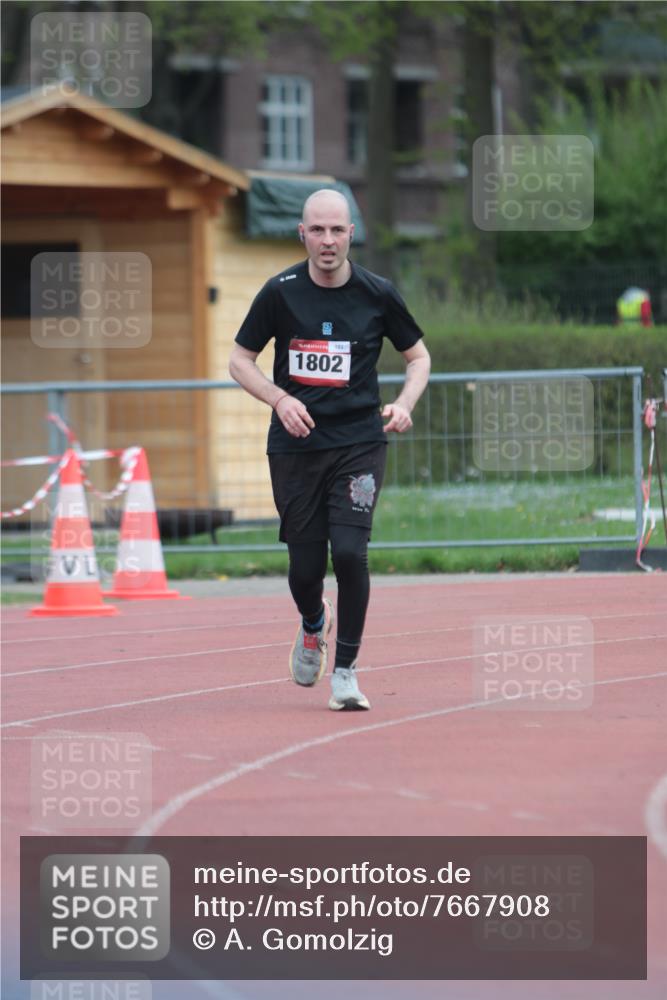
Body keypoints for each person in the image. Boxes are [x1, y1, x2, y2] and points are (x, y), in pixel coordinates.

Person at [229, 188, 430, 711]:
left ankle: (345, 670)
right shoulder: (280, 292)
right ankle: (314, 622)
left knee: (349, 552)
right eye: (317, 230)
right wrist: (278, 399)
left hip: (359, 444)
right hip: (296, 449)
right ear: (302, 234)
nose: (327, 240)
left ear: (351, 234)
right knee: (304, 569)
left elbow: (419, 357)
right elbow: (239, 360)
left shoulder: (377, 293)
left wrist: (405, 404)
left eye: (337, 230)